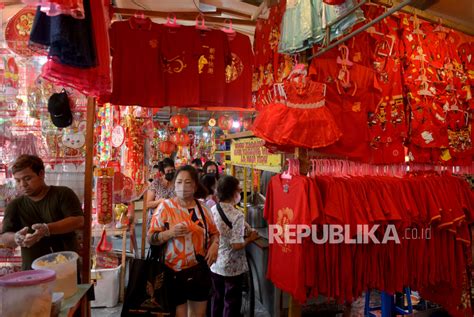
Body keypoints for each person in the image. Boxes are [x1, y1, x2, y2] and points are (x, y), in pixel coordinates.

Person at [148, 165, 220, 317]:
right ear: (174, 184)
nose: (183, 186)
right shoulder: (165, 207)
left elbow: (214, 233)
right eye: (179, 182)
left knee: (199, 314)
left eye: (188, 182)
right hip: (173, 272)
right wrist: (170, 233)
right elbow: (151, 238)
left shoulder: (203, 209)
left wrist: (215, 245)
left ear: (195, 185)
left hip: (199, 270)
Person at [0, 154, 84, 270]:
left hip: (65, 268)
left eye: (27, 178)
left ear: (41, 174)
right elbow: (4, 236)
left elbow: (78, 221)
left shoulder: (63, 194)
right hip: (32, 272)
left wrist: (47, 229)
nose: (22, 185)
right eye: (18, 180)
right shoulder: (15, 205)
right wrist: (16, 238)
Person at [210, 175, 259, 317]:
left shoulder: (214, 208)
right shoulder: (236, 215)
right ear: (233, 192)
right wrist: (250, 238)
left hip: (215, 263)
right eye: (238, 189)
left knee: (217, 299)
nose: (240, 193)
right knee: (231, 303)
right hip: (232, 268)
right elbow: (237, 245)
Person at [145, 158, 176, 228]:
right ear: (162, 173)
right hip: (156, 220)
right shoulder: (156, 183)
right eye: (168, 171)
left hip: (173, 219)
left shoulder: (177, 182)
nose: (171, 173)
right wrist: (160, 201)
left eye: (172, 170)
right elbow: (147, 204)